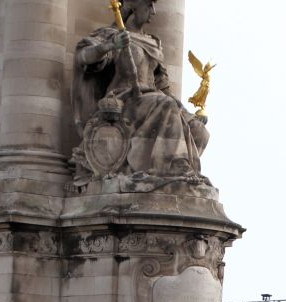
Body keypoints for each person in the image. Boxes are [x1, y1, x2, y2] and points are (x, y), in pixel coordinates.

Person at [73, 0, 210, 182]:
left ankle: (172, 170)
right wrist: (109, 45)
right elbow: (83, 57)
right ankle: (175, 166)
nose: (153, 12)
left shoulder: (154, 42)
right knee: (165, 104)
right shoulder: (113, 35)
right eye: (149, 5)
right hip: (126, 99)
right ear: (133, 6)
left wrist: (187, 113)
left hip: (154, 99)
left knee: (199, 130)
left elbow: (164, 88)